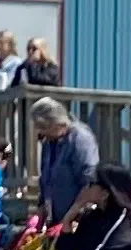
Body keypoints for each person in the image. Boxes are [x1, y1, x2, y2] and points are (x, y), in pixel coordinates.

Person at [21, 93, 92, 229]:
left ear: (57, 123)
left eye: (43, 127)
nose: (41, 132)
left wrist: (73, 214)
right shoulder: (49, 143)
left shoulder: (80, 139)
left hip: (77, 221)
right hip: (55, 221)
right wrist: (41, 211)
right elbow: (45, 180)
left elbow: (89, 181)